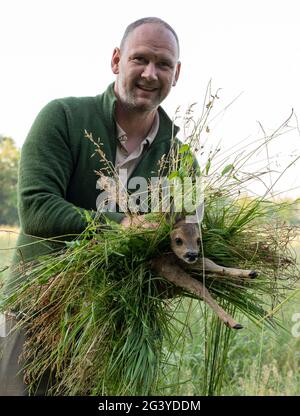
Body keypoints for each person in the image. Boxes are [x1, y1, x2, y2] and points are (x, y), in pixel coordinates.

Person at [0, 16, 182, 395]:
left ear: (176, 73)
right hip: (35, 315)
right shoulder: (64, 118)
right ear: (117, 60)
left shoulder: (178, 158)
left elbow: (184, 238)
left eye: (163, 64)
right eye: (140, 59)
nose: (150, 73)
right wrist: (124, 225)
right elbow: (37, 209)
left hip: (110, 331)